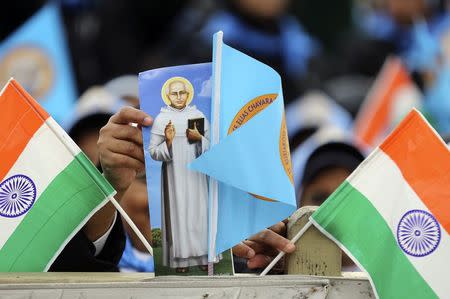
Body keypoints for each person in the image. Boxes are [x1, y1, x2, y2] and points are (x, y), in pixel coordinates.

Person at [148, 78, 209, 272]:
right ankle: (181, 262)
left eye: (182, 93)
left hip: (196, 174)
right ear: (168, 96)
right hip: (174, 175)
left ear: (188, 94)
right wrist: (168, 141)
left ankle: (203, 258)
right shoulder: (161, 119)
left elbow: (211, 147)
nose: (179, 97)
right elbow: (154, 152)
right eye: (174, 93)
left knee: (199, 214)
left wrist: (200, 139)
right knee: (179, 215)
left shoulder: (197, 115)